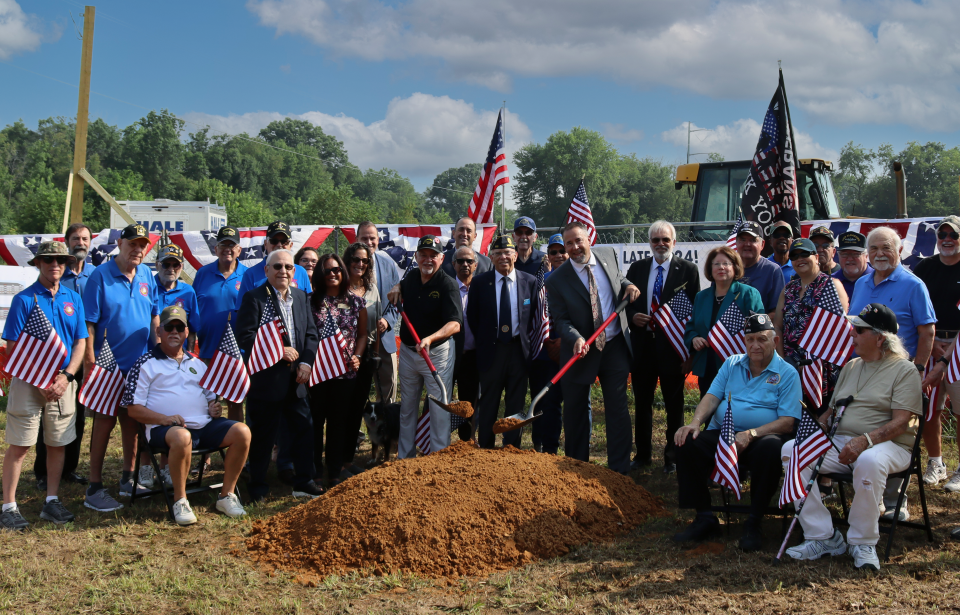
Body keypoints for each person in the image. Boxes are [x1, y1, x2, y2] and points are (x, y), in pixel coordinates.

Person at [783, 304, 920, 571]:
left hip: (889, 446)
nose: (852, 334)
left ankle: (862, 542)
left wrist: (864, 441)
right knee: (792, 450)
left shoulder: (905, 370)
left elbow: (902, 422)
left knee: (869, 461)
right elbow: (832, 411)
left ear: (880, 338)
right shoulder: (852, 365)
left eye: (859, 330)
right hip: (843, 441)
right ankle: (822, 536)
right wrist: (820, 425)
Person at [672, 313, 801, 552]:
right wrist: (695, 423)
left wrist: (751, 434)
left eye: (762, 339)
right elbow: (711, 397)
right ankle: (705, 516)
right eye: (750, 339)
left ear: (775, 341)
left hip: (762, 438)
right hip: (725, 433)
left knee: (772, 448)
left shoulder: (787, 373)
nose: (755, 345)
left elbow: (787, 422)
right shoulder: (732, 364)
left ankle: (754, 522)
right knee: (686, 442)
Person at [124, 306, 250, 525]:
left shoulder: (198, 364)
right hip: (163, 429)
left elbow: (212, 398)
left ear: (186, 333)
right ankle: (180, 500)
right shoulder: (145, 364)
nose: (174, 332)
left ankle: (226, 495)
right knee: (182, 437)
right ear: (159, 332)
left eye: (179, 327)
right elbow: (133, 409)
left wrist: (214, 407)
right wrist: (164, 419)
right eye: (169, 327)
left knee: (242, 431)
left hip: (203, 426)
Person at [849, 226, 935, 522]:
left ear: (899, 251)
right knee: (867, 428)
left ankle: (896, 501)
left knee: (896, 432)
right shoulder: (861, 283)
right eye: (873, 249)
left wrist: (919, 369)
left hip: (900, 374)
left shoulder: (914, 285)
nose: (879, 254)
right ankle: (868, 495)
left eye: (886, 247)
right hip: (865, 372)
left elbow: (927, 331)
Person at [1, 242, 88, 530]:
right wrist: (39, 380)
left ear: (66, 264)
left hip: (62, 384)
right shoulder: (25, 299)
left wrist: (67, 377)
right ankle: (9, 506)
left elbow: (80, 342)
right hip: (29, 383)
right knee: (21, 445)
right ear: (38, 263)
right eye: (49, 260)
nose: (55, 265)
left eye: (61, 260)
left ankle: (51, 501)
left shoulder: (73, 297)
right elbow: (12, 345)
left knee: (58, 442)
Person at [545, 222, 641, 473]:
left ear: (589, 239)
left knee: (617, 408)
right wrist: (575, 337)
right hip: (580, 351)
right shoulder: (556, 280)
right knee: (575, 412)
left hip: (614, 345)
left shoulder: (607, 254)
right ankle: (577, 467)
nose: (575, 247)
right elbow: (561, 319)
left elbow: (618, 277)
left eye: (579, 241)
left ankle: (618, 469)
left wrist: (628, 284)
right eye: (569, 243)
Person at [82, 224, 160, 513]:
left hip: (139, 364)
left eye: (143, 245)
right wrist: (90, 362)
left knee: (133, 422)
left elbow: (153, 318)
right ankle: (94, 486)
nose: (138, 249)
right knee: (103, 423)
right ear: (120, 243)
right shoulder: (100, 276)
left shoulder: (146, 275)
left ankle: (128, 478)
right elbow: (89, 323)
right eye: (133, 244)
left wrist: (158, 353)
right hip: (107, 365)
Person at [235, 249, 323, 501]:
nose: (282, 271)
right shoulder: (254, 298)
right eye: (277, 267)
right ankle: (258, 486)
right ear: (266, 270)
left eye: (287, 267)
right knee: (263, 436)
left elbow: (311, 334)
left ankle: (304, 481)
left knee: (305, 430)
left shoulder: (301, 296)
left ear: (294, 271)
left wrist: (307, 362)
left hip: (297, 380)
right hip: (267, 382)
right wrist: (277, 350)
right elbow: (245, 335)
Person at [626, 220, 700, 473]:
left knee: (674, 404)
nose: (660, 244)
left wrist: (689, 353)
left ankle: (673, 457)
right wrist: (633, 318)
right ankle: (643, 455)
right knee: (642, 402)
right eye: (655, 240)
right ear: (649, 243)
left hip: (673, 347)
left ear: (674, 242)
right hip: (643, 345)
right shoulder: (636, 269)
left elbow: (694, 314)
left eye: (665, 240)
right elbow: (626, 304)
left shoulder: (688, 270)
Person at [33, 222, 96, 489]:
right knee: (46, 417)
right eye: (75, 238)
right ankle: (42, 472)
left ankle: (69, 468)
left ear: (90, 243)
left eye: (84, 238)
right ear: (67, 242)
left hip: (86, 357)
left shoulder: (96, 275)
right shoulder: (56, 274)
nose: (80, 242)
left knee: (76, 415)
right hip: (55, 360)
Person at [389, 235, 461, 457]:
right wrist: (396, 287)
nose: (428, 260)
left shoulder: (448, 284)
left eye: (433, 256)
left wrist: (431, 338)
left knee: (439, 408)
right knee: (407, 408)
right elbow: (400, 287)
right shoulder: (411, 277)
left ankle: (438, 458)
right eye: (423, 255)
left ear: (441, 258)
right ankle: (405, 457)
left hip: (437, 354)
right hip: (410, 353)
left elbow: (455, 324)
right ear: (417, 256)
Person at [468, 236, 537, 448]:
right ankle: (487, 447)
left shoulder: (530, 282)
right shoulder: (480, 282)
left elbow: (534, 315)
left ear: (515, 255)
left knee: (516, 403)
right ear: (491, 258)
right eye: (497, 254)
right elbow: (473, 316)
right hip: (492, 350)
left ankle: (511, 447)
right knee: (489, 402)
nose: (503, 257)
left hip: (518, 351)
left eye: (507, 253)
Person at [309, 253, 367, 486]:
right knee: (315, 422)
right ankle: (314, 471)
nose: (332, 274)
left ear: (343, 272)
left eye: (336, 270)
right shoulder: (309, 301)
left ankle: (334, 471)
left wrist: (358, 356)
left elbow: (362, 334)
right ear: (319, 275)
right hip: (317, 372)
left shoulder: (355, 301)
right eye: (326, 271)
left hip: (345, 372)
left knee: (338, 422)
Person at [912, 216, 960, 488]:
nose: (947, 239)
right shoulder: (925, 267)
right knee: (929, 408)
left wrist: (950, 350)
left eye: (952, 234)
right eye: (942, 235)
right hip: (930, 343)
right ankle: (936, 462)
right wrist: (932, 347)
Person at [773, 238, 849, 409]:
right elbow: (777, 326)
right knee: (794, 416)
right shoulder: (789, 289)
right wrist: (783, 360)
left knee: (821, 418)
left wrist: (813, 364)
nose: (799, 259)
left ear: (816, 256)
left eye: (804, 254)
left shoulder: (832, 285)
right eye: (794, 256)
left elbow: (839, 329)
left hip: (822, 369)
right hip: (791, 365)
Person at [684, 246, 765, 397]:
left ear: (735, 267)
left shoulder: (748, 294)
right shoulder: (701, 297)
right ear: (710, 268)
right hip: (707, 366)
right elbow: (691, 327)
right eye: (716, 264)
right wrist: (694, 338)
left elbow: (761, 330)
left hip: (739, 367)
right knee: (710, 415)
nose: (721, 267)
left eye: (726, 263)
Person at [193, 226, 249, 422]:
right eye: (223, 244)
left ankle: (238, 444)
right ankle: (207, 450)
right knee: (207, 402)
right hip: (207, 350)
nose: (228, 249)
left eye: (232, 245)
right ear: (215, 249)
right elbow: (193, 308)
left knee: (235, 402)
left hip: (237, 352)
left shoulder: (247, 275)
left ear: (239, 250)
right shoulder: (202, 274)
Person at [530, 233, 568, 454]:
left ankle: (575, 450)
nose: (559, 255)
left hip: (571, 351)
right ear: (549, 256)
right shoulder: (542, 281)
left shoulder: (580, 278)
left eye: (562, 250)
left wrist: (565, 341)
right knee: (549, 403)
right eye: (553, 252)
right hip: (547, 353)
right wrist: (547, 342)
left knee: (576, 404)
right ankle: (548, 449)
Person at [357, 221, 400, 403]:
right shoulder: (347, 265)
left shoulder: (388, 264)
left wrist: (388, 320)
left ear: (378, 239)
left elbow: (396, 300)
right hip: (356, 339)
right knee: (358, 390)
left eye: (372, 238)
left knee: (388, 388)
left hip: (384, 337)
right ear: (356, 239)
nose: (369, 241)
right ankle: (357, 431)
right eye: (364, 238)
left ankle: (387, 430)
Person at [235, 221, 312, 309]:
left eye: (284, 242)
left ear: (291, 245)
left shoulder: (301, 272)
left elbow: (309, 306)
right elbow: (243, 310)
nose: (279, 245)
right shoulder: (251, 274)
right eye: (274, 241)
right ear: (265, 244)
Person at [451, 245, 480, 441]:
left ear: (476, 265)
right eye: (460, 261)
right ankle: (436, 443)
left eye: (469, 261)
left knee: (468, 401)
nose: (465, 265)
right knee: (439, 399)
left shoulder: (482, 289)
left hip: (472, 355)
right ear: (453, 265)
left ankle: (466, 441)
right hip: (449, 355)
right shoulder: (447, 288)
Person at [154, 244, 200, 352]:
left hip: (178, 356)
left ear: (182, 266)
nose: (171, 269)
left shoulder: (188, 292)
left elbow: (192, 329)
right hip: (149, 355)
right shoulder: (148, 287)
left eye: (176, 265)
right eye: (166, 265)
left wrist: (189, 356)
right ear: (157, 265)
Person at [735, 221, 784, 316]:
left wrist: (752, 325)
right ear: (736, 243)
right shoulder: (726, 269)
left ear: (762, 244)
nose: (747, 244)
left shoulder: (773, 270)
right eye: (743, 239)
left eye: (753, 240)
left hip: (761, 329)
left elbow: (777, 312)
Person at [832, 231, 871, 302]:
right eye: (845, 254)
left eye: (855, 254)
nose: (850, 259)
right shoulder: (830, 282)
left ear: (866, 256)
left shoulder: (878, 280)